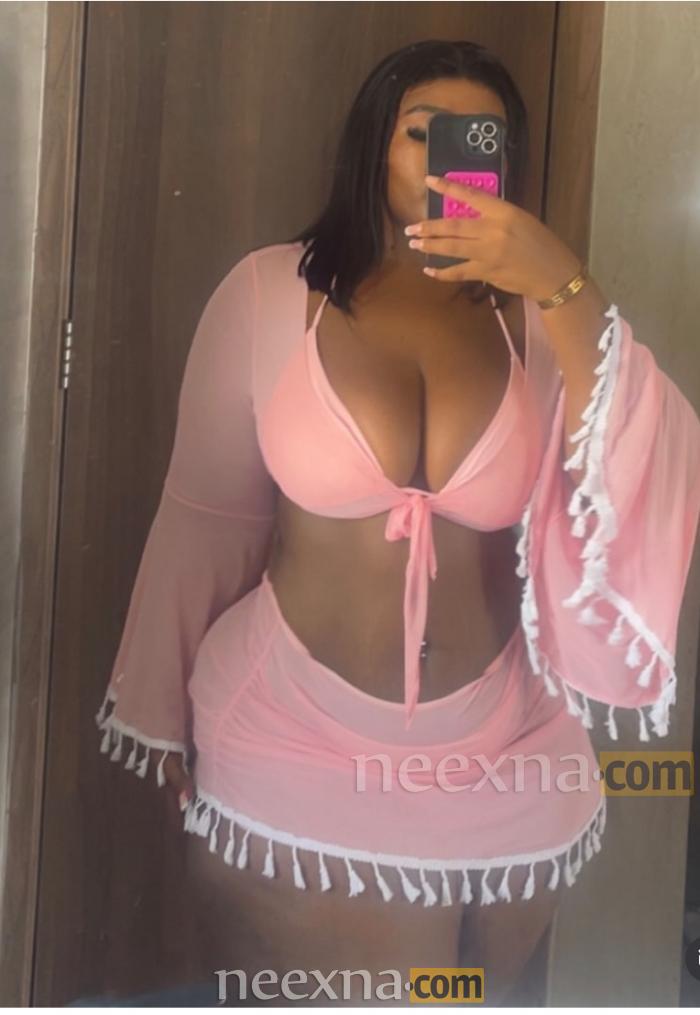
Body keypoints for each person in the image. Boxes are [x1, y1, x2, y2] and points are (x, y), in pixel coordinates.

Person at [94, 40, 700, 1007]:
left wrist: (560, 279)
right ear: (375, 146)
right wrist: (156, 709)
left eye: (480, 138)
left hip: (509, 748)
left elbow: (638, 444)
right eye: (423, 133)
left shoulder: (533, 319)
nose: (448, 156)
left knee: (477, 999)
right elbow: (205, 517)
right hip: (298, 735)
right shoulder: (267, 293)